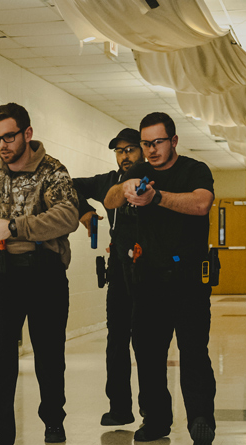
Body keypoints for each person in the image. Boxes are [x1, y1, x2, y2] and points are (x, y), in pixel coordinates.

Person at [0, 103, 80, 445]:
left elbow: (69, 216)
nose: (2, 145)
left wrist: (14, 226)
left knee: (48, 355)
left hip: (44, 272)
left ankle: (53, 418)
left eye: (9, 137)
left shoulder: (52, 171)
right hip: (3, 274)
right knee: (1, 357)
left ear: (27, 134)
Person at [101, 112, 217, 445]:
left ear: (174, 141)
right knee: (149, 355)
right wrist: (123, 189)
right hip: (148, 281)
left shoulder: (195, 170)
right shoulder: (140, 171)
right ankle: (155, 420)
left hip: (189, 281)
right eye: (146, 144)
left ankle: (201, 420)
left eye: (158, 143)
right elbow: (109, 201)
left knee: (194, 352)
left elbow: (201, 203)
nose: (151, 150)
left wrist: (157, 198)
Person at [72, 128, 145, 428]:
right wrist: (85, 211)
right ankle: (119, 408)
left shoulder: (154, 179)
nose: (125, 156)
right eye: (119, 151)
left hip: (148, 271)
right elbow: (68, 186)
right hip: (118, 271)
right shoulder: (107, 182)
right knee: (116, 339)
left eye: (130, 149)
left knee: (146, 341)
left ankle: (152, 412)